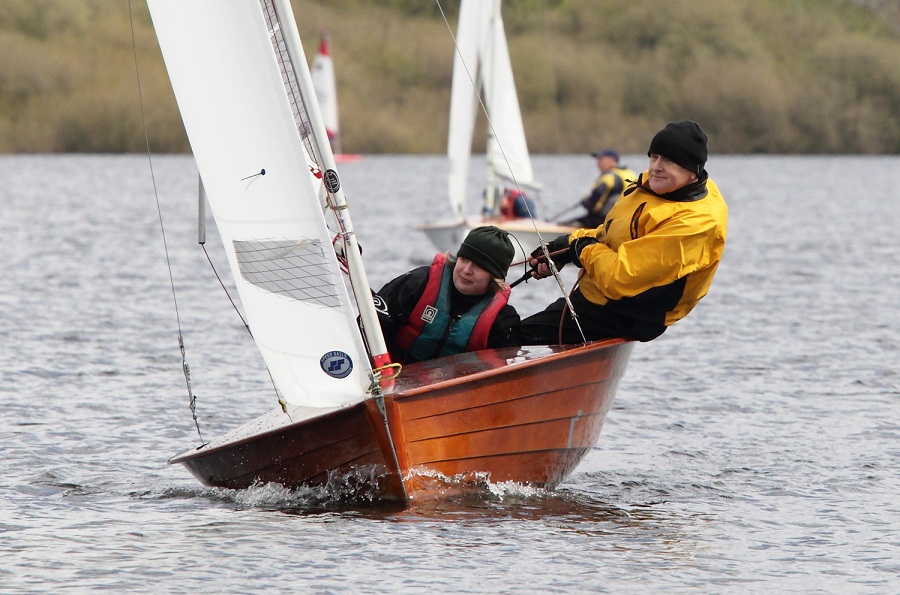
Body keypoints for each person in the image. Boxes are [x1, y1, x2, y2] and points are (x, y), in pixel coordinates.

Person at [521, 120, 728, 344]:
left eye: (669, 160)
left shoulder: (695, 223)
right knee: (508, 330)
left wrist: (580, 249)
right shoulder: (651, 185)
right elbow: (610, 234)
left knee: (507, 338)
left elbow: (621, 276)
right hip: (596, 295)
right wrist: (564, 247)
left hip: (626, 313)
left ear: (692, 172)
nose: (656, 166)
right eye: (654, 156)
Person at [374, 225, 521, 364]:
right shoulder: (418, 283)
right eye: (464, 259)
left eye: (479, 266)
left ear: (494, 277)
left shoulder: (503, 321)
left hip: (455, 389)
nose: (466, 270)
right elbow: (370, 326)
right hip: (391, 379)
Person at [564, 149, 636, 228]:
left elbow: (594, 205)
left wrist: (585, 202)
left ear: (612, 160)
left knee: (571, 224)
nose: (598, 163)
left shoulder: (609, 177)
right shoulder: (629, 174)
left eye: (601, 159)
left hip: (603, 221)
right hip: (625, 220)